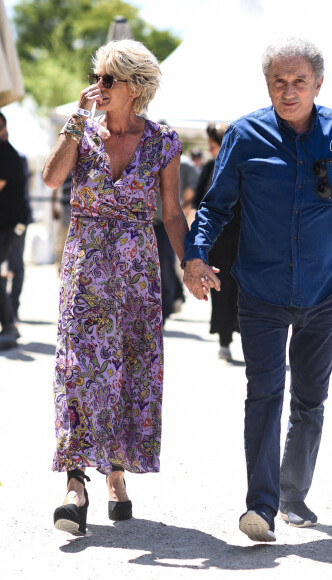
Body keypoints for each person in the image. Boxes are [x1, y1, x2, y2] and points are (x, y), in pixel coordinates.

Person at [182, 37, 332, 542]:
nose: (289, 91)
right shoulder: (245, 134)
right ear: (267, 85)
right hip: (259, 289)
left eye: (299, 81)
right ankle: (259, 506)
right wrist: (195, 255)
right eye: (278, 82)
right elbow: (215, 206)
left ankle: (292, 495)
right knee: (264, 393)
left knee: (310, 398)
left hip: (326, 290)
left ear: (318, 83)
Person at [42, 39, 188, 536]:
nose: (98, 87)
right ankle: (75, 484)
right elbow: (50, 178)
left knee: (129, 369)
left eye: (109, 80)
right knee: (81, 371)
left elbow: (171, 213)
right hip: (85, 272)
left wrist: (190, 263)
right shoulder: (82, 133)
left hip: (137, 273)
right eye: (97, 77)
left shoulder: (164, 141)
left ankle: (117, 476)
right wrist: (74, 121)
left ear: (136, 87)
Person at [192, 123, 241, 361]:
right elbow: (198, 204)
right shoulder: (211, 167)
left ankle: (244, 337)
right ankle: (224, 338)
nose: (212, 152)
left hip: (244, 241)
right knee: (220, 289)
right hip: (218, 242)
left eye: (214, 146)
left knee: (243, 291)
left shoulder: (243, 168)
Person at [0, 112, 28, 349]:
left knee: (14, 267)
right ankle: (9, 321)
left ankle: (10, 321)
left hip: (13, 224)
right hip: (6, 223)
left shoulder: (7, 154)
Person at [1, 151, 32, 323]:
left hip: (17, 223)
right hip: (7, 222)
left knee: (16, 264)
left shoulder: (14, 157)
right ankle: (8, 314)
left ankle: (11, 312)